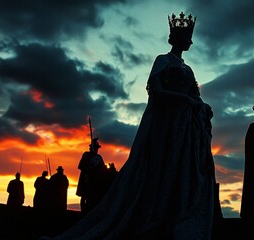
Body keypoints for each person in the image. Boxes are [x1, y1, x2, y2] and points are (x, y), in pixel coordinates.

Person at [45, 11, 217, 240]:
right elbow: (157, 92)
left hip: (184, 127)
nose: (191, 41)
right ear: (177, 38)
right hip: (165, 124)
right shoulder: (163, 60)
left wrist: (203, 106)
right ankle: (152, 214)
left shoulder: (188, 69)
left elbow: (196, 95)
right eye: (187, 37)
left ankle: (173, 213)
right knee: (159, 167)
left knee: (180, 172)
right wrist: (184, 100)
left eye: (190, 37)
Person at [76, 137, 107, 213]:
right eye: (95, 147)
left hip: (94, 180)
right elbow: (80, 166)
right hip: (85, 178)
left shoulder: (99, 157)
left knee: (92, 196)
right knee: (84, 196)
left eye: (97, 148)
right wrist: (88, 167)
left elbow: (103, 169)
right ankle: (83, 211)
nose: (96, 149)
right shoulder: (86, 155)